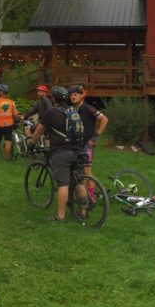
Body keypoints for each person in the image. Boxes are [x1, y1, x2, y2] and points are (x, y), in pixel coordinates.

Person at [36, 85, 102, 222]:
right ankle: (83, 212)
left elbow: (39, 130)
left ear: (54, 98)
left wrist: (31, 143)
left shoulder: (52, 112)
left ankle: (60, 216)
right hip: (78, 150)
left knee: (63, 184)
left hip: (61, 152)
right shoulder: (73, 111)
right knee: (79, 182)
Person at [0, 85, 18, 160]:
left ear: (2, 92)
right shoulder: (12, 102)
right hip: (9, 124)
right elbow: (15, 115)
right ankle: (6, 158)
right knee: (8, 142)